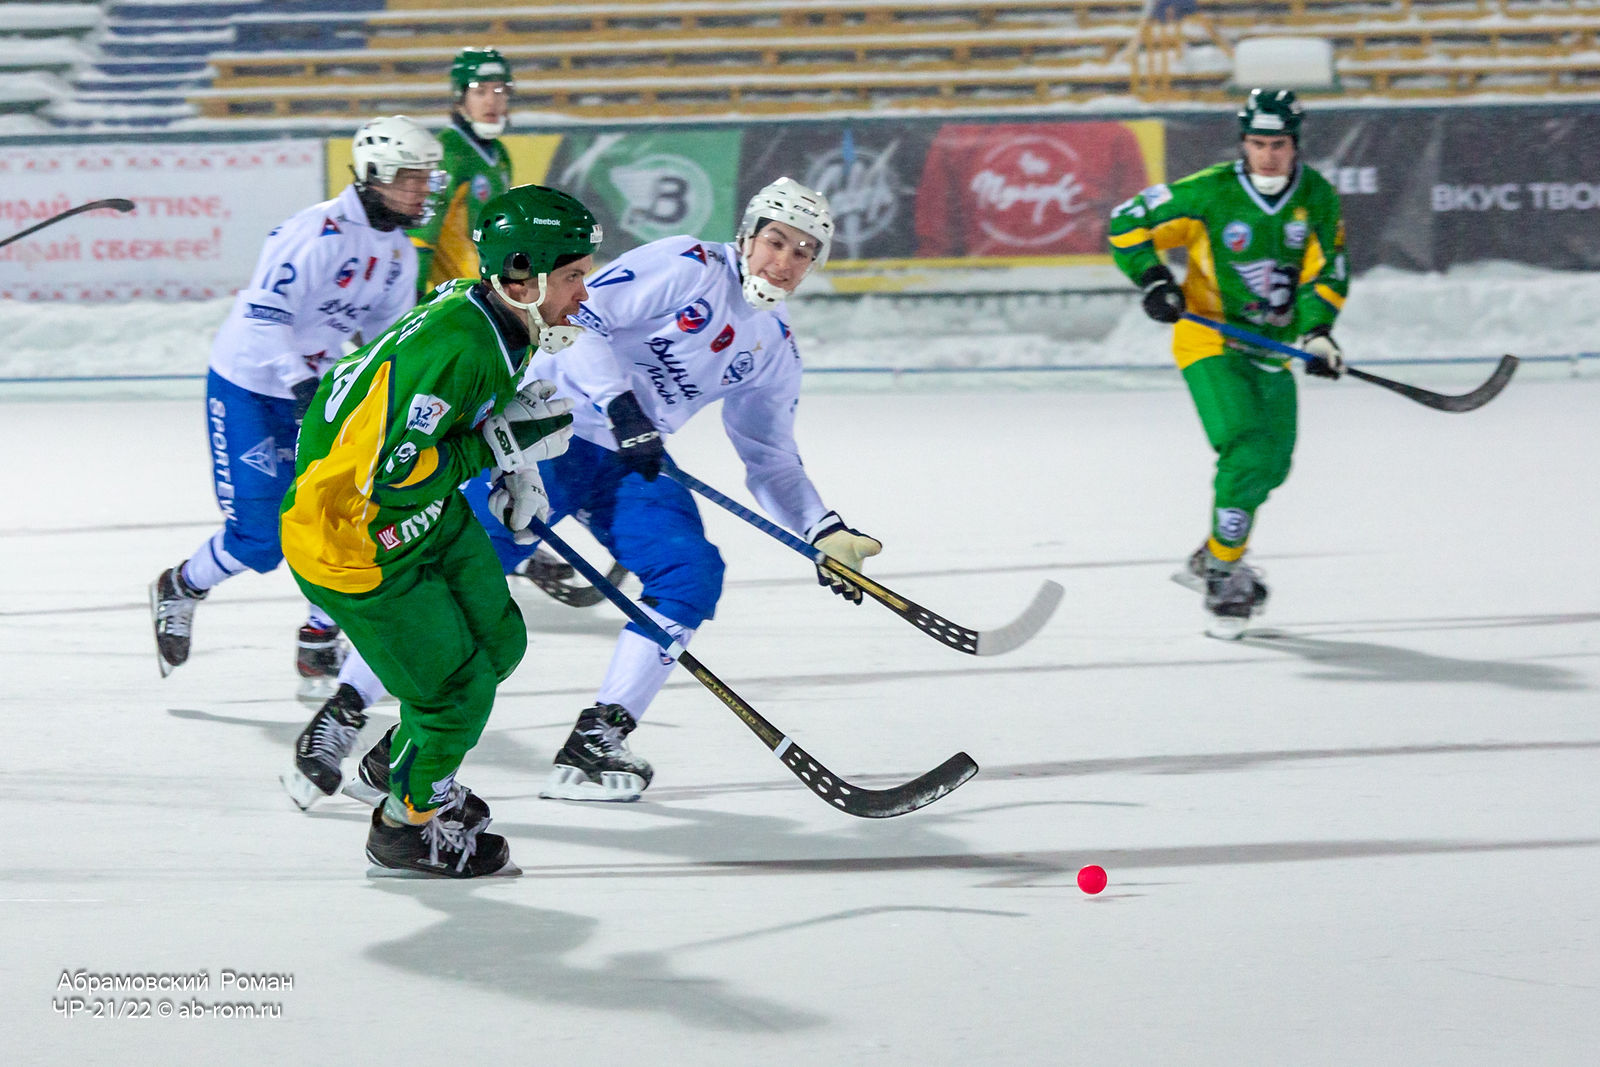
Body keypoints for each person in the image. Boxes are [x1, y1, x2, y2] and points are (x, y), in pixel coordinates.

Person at [464, 176, 883, 803]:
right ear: (747, 235)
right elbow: (581, 320)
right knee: (462, 566)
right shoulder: (690, 265)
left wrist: (822, 528)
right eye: (776, 241)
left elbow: (770, 456)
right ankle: (348, 709)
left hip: (630, 457)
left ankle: (598, 740)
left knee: (690, 573)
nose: (785, 261)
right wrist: (621, 404)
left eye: (804, 251)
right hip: (549, 426)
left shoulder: (775, 346)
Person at [279, 183, 601, 876]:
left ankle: (403, 760)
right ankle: (405, 827)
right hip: (356, 544)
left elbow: (458, 421)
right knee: (456, 697)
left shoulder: (497, 317)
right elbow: (390, 475)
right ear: (523, 274)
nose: (584, 293)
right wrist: (495, 449)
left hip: (419, 516)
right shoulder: (461, 345)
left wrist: (515, 467)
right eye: (574, 276)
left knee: (501, 644)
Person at [149, 115, 444, 691]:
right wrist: (301, 383)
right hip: (251, 383)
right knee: (261, 538)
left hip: (316, 387)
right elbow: (263, 313)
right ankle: (181, 585)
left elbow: (386, 340)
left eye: (426, 178)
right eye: (410, 178)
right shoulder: (316, 232)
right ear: (374, 175)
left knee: (343, 514)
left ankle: (319, 637)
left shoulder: (400, 254)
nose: (421, 190)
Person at [1107, 88, 1348, 638]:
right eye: (1258, 144)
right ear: (1244, 143)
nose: (1268, 156)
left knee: (1273, 465)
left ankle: (1213, 554)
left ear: (1295, 145)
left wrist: (1316, 333)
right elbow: (1126, 222)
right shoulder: (1211, 191)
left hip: (1273, 351)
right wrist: (1154, 279)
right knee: (1247, 449)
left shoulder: (1317, 197)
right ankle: (1223, 574)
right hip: (1210, 340)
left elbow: (1329, 270)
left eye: (1279, 145)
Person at [408, 46, 514, 299]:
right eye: (480, 91)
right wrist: (412, 295)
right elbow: (421, 236)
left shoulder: (500, 154)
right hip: (463, 298)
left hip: (496, 294)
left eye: (499, 90)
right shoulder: (446, 152)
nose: (491, 101)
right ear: (460, 97)